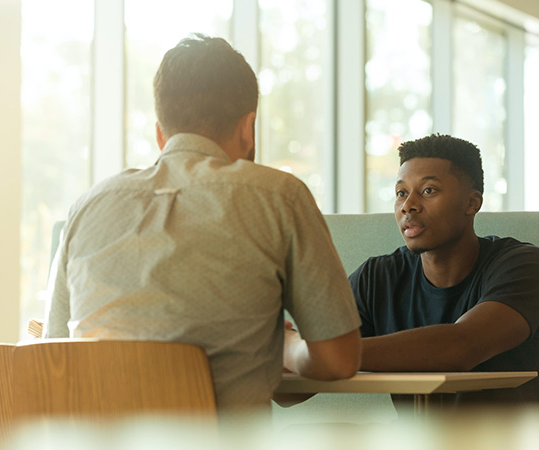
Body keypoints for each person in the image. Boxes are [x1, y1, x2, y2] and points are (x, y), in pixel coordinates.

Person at [43, 34, 361, 413]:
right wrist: (288, 346)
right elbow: (338, 360)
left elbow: (52, 356)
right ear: (249, 128)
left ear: (161, 133)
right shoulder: (279, 196)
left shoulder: (86, 207)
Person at [349, 134, 539, 410]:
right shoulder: (376, 278)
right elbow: (291, 390)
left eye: (428, 191)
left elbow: (459, 348)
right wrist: (290, 347)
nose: (408, 205)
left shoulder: (526, 266)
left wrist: (325, 353)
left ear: (472, 203)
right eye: (401, 193)